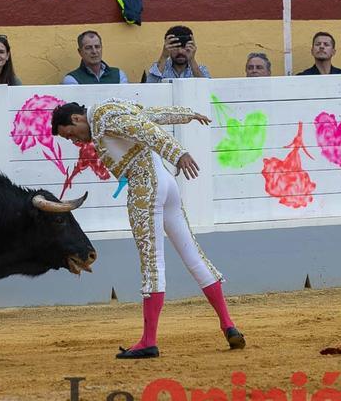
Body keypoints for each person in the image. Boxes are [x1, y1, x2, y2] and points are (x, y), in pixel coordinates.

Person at [51, 100, 245, 359]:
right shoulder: (108, 111)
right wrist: (187, 112)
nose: (75, 141)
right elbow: (152, 113)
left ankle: (149, 341)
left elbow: (145, 128)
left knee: (152, 263)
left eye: (70, 134)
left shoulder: (103, 117)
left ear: (76, 119)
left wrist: (178, 153)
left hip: (146, 184)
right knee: (193, 255)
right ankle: (228, 324)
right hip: (165, 182)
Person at [146, 26, 210, 83]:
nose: (180, 52)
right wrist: (164, 56)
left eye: (184, 47)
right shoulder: (159, 68)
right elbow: (149, 89)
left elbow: (208, 92)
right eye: (175, 47)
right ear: (167, 48)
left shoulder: (201, 69)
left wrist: (192, 59)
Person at [62, 30, 129, 84]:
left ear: (101, 48)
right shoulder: (72, 79)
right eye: (88, 48)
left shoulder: (119, 75)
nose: (94, 51)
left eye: (97, 47)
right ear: (80, 52)